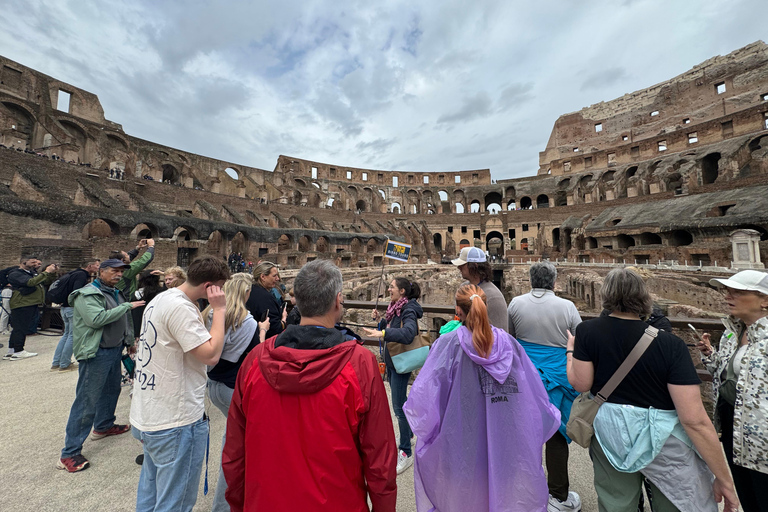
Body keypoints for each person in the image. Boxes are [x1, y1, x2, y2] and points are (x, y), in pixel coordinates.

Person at [223, 260, 397, 512]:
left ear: (298, 301)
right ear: (338, 301)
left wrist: (240, 505)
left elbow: (234, 452)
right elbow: (380, 458)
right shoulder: (360, 364)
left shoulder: (255, 361)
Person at [569, 268, 739, 512]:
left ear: (606, 295)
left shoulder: (587, 331)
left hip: (609, 429)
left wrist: (569, 353)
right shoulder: (671, 344)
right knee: (672, 501)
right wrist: (723, 478)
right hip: (662, 437)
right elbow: (694, 420)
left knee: (616, 502)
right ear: (643, 297)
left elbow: (582, 385)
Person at [403, 284, 560, 511]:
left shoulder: (448, 345)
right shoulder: (509, 343)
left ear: (458, 311)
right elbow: (534, 395)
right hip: (506, 440)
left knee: (467, 497)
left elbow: (424, 401)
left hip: (460, 442)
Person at [130, 256, 230, 512]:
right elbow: (210, 355)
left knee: (151, 492)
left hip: (151, 412)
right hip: (175, 419)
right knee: (176, 501)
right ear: (210, 286)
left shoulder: (164, 297)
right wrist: (219, 310)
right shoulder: (181, 308)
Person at [506, 261, 582, 511]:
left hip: (527, 374)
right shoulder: (567, 306)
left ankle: (525, 489)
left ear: (531, 280)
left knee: (526, 433)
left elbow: (510, 336)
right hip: (558, 375)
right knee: (557, 434)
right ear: (553, 281)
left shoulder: (516, 303)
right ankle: (558, 495)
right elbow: (579, 338)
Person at [57, 259, 145, 472]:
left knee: (111, 390)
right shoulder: (87, 294)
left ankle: (104, 425)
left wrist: (128, 340)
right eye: (114, 271)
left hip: (114, 349)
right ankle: (69, 453)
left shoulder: (115, 292)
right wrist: (126, 305)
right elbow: (96, 319)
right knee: (87, 401)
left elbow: (125, 320)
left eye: (121, 272)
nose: (119, 275)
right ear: (101, 271)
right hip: (96, 352)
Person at [698, 270, 768, 512]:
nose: (728, 295)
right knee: (748, 497)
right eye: (727, 290)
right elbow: (729, 373)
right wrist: (710, 356)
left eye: (737, 291)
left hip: (763, 437)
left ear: (765, 300)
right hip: (733, 427)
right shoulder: (733, 331)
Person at [203, 273, 268, 512]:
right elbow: (255, 356)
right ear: (246, 293)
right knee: (236, 450)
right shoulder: (247, 321)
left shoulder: (211, 314)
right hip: (234, 389)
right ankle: (224, 506)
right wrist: (262, 332)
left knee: (232, 443)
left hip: (214, 386)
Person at [363, 277, 423, 474]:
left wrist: (382, 334)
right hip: (393, 360)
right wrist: (380, 321)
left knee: (398, 407)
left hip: (400, 363)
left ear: (402, 292)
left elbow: (407, 334)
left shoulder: (408, 309)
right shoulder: (395, 308)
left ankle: (405, 452)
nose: (389, 289)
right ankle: (411, 434)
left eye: (392, 287)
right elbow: (391, 327)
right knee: (401, 403)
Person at [51, 259, 100, 372]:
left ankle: (56, 362)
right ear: (89, 266)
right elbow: (77, 292)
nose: (98, 268)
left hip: (64, 307)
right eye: (96, 266)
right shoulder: (81, 275)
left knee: (66, 334)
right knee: (73, 335)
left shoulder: (72, 273)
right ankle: (64, 364)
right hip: (72, 308)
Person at [5, 257, 57, 360]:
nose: (35, 264)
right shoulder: (16, 273)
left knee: (18, 328)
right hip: (22, 303)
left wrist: (52, 273)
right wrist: (46, 272)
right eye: (32, 262)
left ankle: (11, 350)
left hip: (29, 303)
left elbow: (45, 282)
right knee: (21, 327)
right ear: (23, 262)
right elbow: (30, 283)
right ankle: (19, 351)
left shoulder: (31, 272)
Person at [452, 246, 508, 331]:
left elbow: (501, 334)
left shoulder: (493, 297)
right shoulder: (463, 287)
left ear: (474, 266)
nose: (459, 267)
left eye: (463, 265)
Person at [245, 261, 287, 339]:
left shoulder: (250, 291)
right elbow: (275, 328)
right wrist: (284, 319)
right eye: (274, 276)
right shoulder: (265, 298)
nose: (277, 279)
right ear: (263, 277)